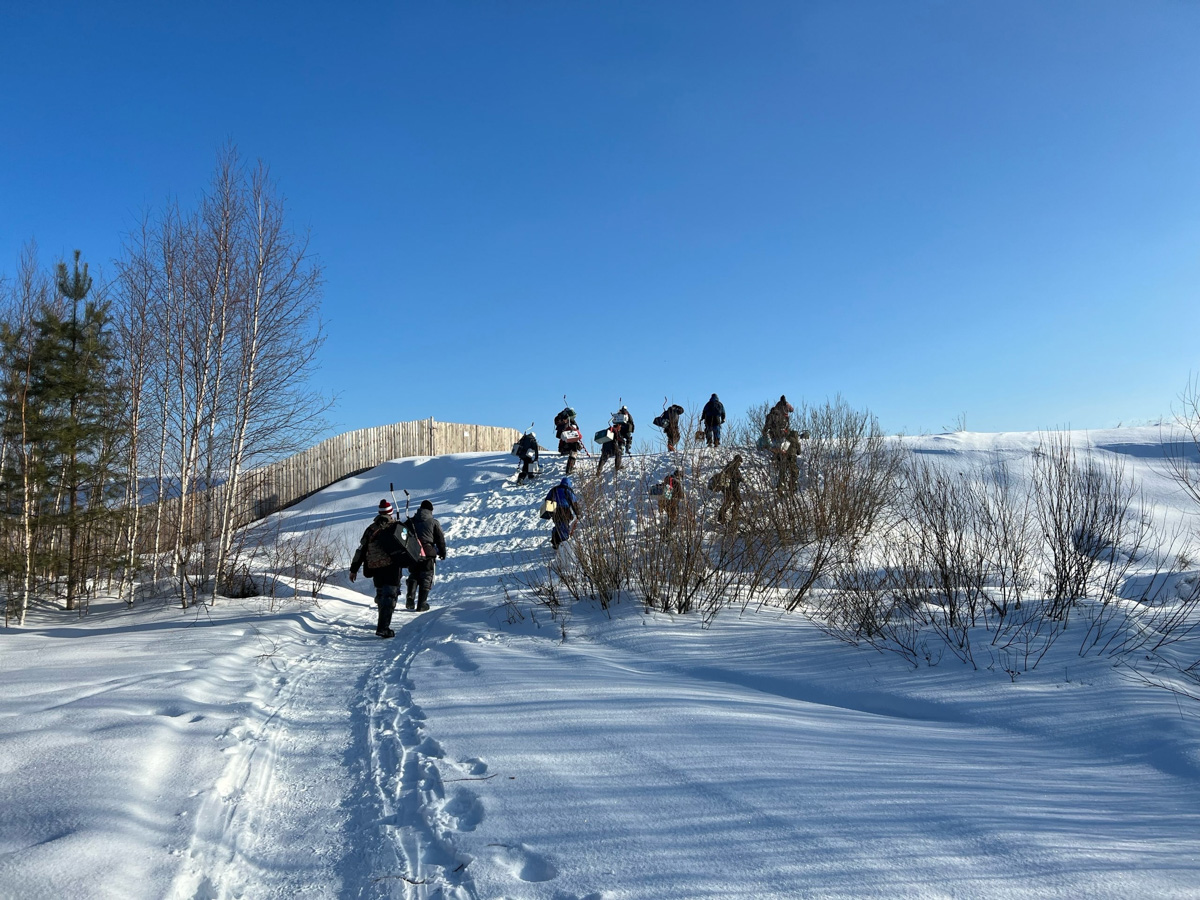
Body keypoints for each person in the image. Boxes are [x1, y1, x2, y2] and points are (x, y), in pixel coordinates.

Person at [349, 499, 405, 637]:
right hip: (392, 567)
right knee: (390, 595)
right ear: (390, 513)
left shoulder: (370, 529)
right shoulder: (396, 526)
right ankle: (383, 627)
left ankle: (382, 622)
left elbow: (361, 550)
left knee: (381, 594)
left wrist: (354, 569)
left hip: (375, 567)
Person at [403, 500, 447, 612]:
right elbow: (440, 539)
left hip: (413, 553)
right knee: (426, 576)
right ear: (430, 510)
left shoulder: (410, 521)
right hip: (428, 552)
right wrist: (442, 552)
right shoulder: (433, 522)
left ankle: (410, 597)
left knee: (414, 574)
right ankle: (421, 604)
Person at [546, 476, 582, 550]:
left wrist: (550, 511)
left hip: (555, 511)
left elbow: (548, 499)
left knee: (558, 525)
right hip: (565, 511)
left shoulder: (554, 489)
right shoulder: (568, 490)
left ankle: (555, 542)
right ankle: (562, 545)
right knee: (564, 527)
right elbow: (573, 503)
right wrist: (577, 513)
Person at [596, 410, 630, 475]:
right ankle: (617, 467)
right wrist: (624, 441)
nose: (620, 428)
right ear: (618, 426)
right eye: (620, 426)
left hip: (605, 447)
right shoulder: (615, 430)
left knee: (603, 458)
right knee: (619, 453)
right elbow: (618, 438)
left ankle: (598, 471)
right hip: (612, 447)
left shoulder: (609, 429)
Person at [713, 454, 744, 525]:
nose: (739, 464)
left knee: (729, 502)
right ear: (737, 461)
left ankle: (722, 517)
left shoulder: (730, 465)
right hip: (730, 488)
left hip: (727, 488)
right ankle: (732, 517)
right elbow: (733, 477)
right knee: (737, 501)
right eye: (739, 462)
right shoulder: (732, 467)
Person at [554, 406, 584, 475]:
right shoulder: (564, 422)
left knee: (574, 447)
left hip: (567, 443)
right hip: (567, 444)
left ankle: (569, 468)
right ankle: (569, 469)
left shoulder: (566, 421)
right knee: (574, 450)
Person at [659, 467, 684, 534]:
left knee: (670, 518)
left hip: (664, 502)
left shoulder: (667, 479)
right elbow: (680, 495)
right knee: (674, 521)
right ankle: (665, 535)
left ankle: (666, 533)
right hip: (672, 503)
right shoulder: (677, 482)